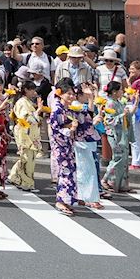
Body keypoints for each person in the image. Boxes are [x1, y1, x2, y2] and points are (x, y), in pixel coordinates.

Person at [49, 79, 79, 215]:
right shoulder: (57, 109)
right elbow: (55, 129)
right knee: (65, 172)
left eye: (73, 94)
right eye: (69, 94)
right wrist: (70, 129)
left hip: (67, 144)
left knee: (70, 172)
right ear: (60, 93)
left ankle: (66, 200)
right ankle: (60, 201)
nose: (71, 96)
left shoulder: (66, 108)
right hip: (61, 145)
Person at [10, 80, 43, 192]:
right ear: (26, 90)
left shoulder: (27, 101)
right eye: (32, 90)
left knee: (26, 158)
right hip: (25, 133)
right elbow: (26, 118)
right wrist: (38, 110)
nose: (34, 92)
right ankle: (26, 183)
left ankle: (14, 177)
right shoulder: (22, 102)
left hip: (28, 133)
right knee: (28, 159)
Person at [102, 80, 133, 194]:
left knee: (123, 157)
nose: (122, 92)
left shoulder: (118, 102)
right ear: (114, 92)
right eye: (120, 90)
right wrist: (122, 115)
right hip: (114, 134)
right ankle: (107, 179)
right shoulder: (110, 103)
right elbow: (109, 120)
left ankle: (121, 183)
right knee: (118, 157)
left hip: (121, 132)